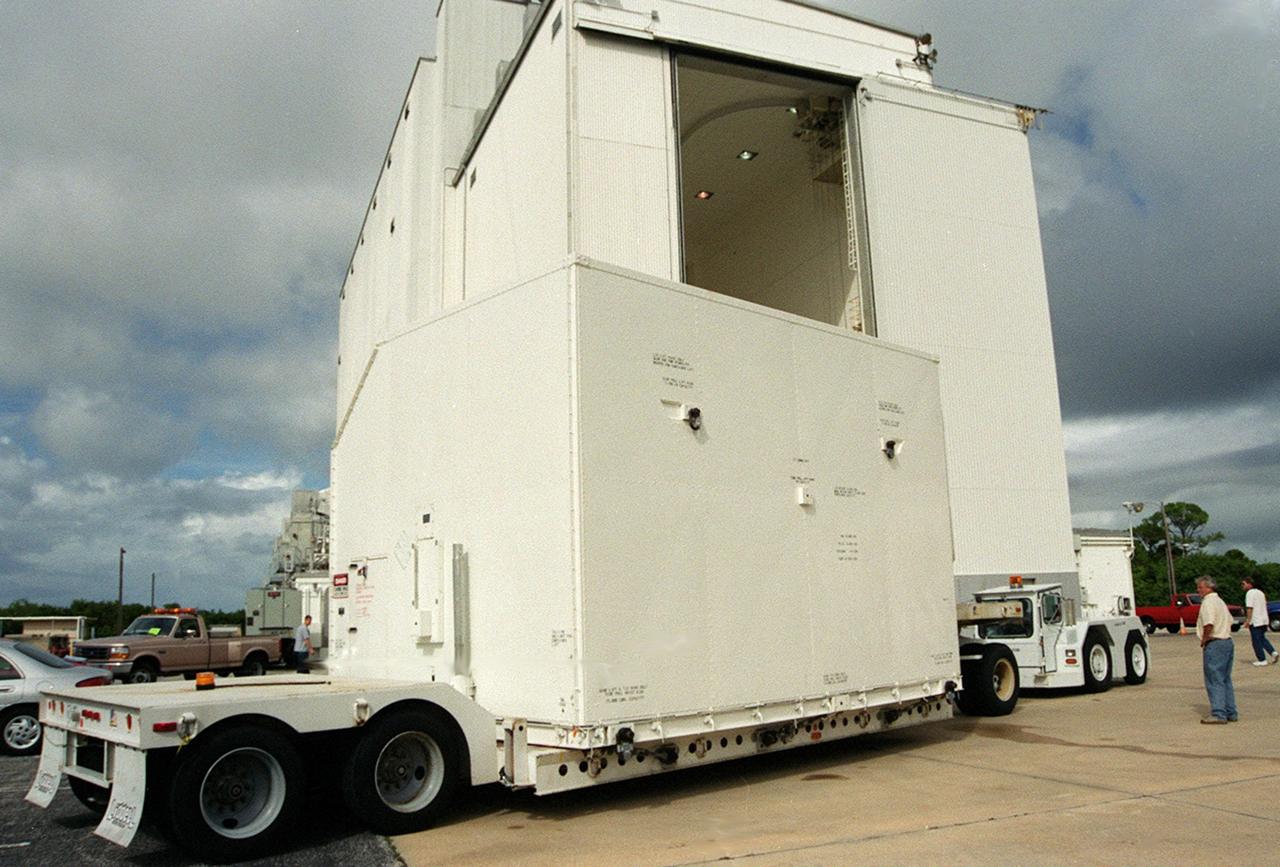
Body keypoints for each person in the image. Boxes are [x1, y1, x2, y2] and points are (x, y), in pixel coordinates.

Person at [1195, 576, 1237, 723]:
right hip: (1227, 641)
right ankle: (1230, 711)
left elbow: (1209, 623)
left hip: (1215, 642)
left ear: (1208, 587)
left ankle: (1219, 713)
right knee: (1225, 679)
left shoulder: (1208, 602)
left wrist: (1205, 638)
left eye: (1200, 587)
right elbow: (1230, 620)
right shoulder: (1220, 601)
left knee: (1214, 679)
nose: (1198, 590)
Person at [1242, 576, 1278, 666]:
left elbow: (1249, 608)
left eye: (1243, 584)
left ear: (1249, 584)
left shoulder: (1250, 593)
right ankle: (1273, 653)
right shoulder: (1260, 593)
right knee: (1262, 638)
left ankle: (1262, 659)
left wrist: (1248, 620)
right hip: (1264, 619)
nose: (1242, 586)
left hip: (1256, 620)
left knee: (1256, 641)